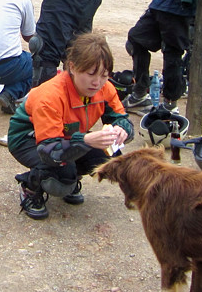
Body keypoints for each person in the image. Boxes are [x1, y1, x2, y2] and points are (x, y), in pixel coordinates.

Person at [7, 32, 133, 220]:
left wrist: (123, 130)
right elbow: (49, 151)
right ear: (72, 67)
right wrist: (85, 140)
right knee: (60, 181)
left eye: (104, 75)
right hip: (29, 138)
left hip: (67, 135)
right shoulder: (50, 96)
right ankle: (31, 186)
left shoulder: (105, 88)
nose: (97, 82)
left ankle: (71, 175)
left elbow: (122, 119)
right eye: (90, 74)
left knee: (111, 158)